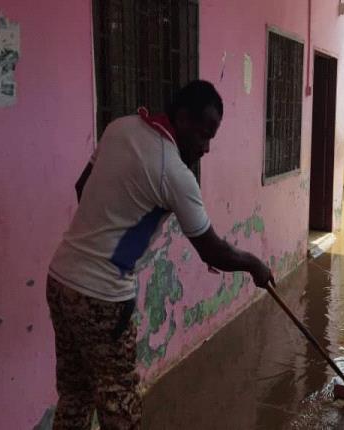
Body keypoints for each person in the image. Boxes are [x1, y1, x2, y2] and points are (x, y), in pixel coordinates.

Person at [46, 80, 272, 430]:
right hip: (102, 297)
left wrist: (115, 229)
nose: (207, 147)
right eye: (203, 133)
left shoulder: (119, 128)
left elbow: (82, 187)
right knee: (118, 399)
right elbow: (211, 250)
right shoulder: (175, 174)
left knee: (75, 393)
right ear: (181, 118)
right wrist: (254, 265)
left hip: (60, 279)